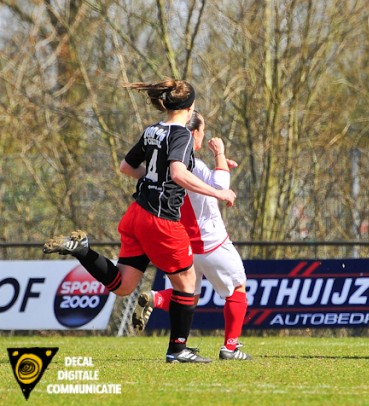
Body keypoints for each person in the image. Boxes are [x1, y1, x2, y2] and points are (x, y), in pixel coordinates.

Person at [43, 79, 236, 364]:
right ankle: (177, 349)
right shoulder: (181, 134)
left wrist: (154, 180)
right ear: (190, 107)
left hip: (137, 214)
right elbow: (179, 174)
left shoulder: (153, 131)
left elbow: (126, 167)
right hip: (161, 221)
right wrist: (218, 192)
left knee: (122, 286)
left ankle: (83, 249)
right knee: (187, 283)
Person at [131, 110, 251, 361]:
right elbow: (221, 188)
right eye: (203, 131)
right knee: (237, 289)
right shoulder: (193, 165)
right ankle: (230, 347)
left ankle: (153, 298)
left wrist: (219, 166)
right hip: (211, 242)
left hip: (184, 242)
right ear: (193, 133)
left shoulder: (170, 164)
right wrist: (219, 154)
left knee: (188, 296)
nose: (204, 135)